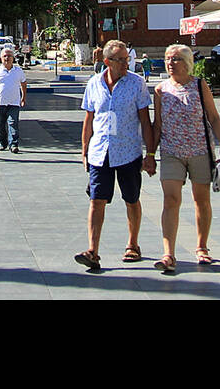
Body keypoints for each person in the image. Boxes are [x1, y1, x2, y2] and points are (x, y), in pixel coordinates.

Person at [75, 39, 156, 271]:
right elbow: (89, 120)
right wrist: (85, 151)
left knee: (131, 199)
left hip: (128, 152)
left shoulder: (136, 84)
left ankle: (132, 245)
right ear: (107, 61)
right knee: (96, 200)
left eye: (127, 59)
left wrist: (150, 153)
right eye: (121, 60)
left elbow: (145, 120)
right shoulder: (93, 84)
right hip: (100, 153)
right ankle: (93, 250)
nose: (125, 64)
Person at [152, 43, 220, 273]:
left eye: (175, 59)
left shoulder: (199, 85)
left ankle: (202, 247)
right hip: (171, 151)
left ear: (186, 63)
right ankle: (168, 253)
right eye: (168, 59)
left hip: (199, 151)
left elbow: (213, 117)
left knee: (201, 200)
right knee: (171, 200)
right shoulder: (160, 89)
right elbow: (158, 124)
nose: (170, 63)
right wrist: (149, 153)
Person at [0, 45, 27, 153]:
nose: (7, 58)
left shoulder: (18, 70)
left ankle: (14, 144)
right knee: (0, 125)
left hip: (14, 103)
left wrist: (23, 98)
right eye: (4, 56)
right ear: (1, 58)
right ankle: (2, 143)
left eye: (9, 56)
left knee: (13, 124)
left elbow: (23, 84)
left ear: (13, 58)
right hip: (0, 103)